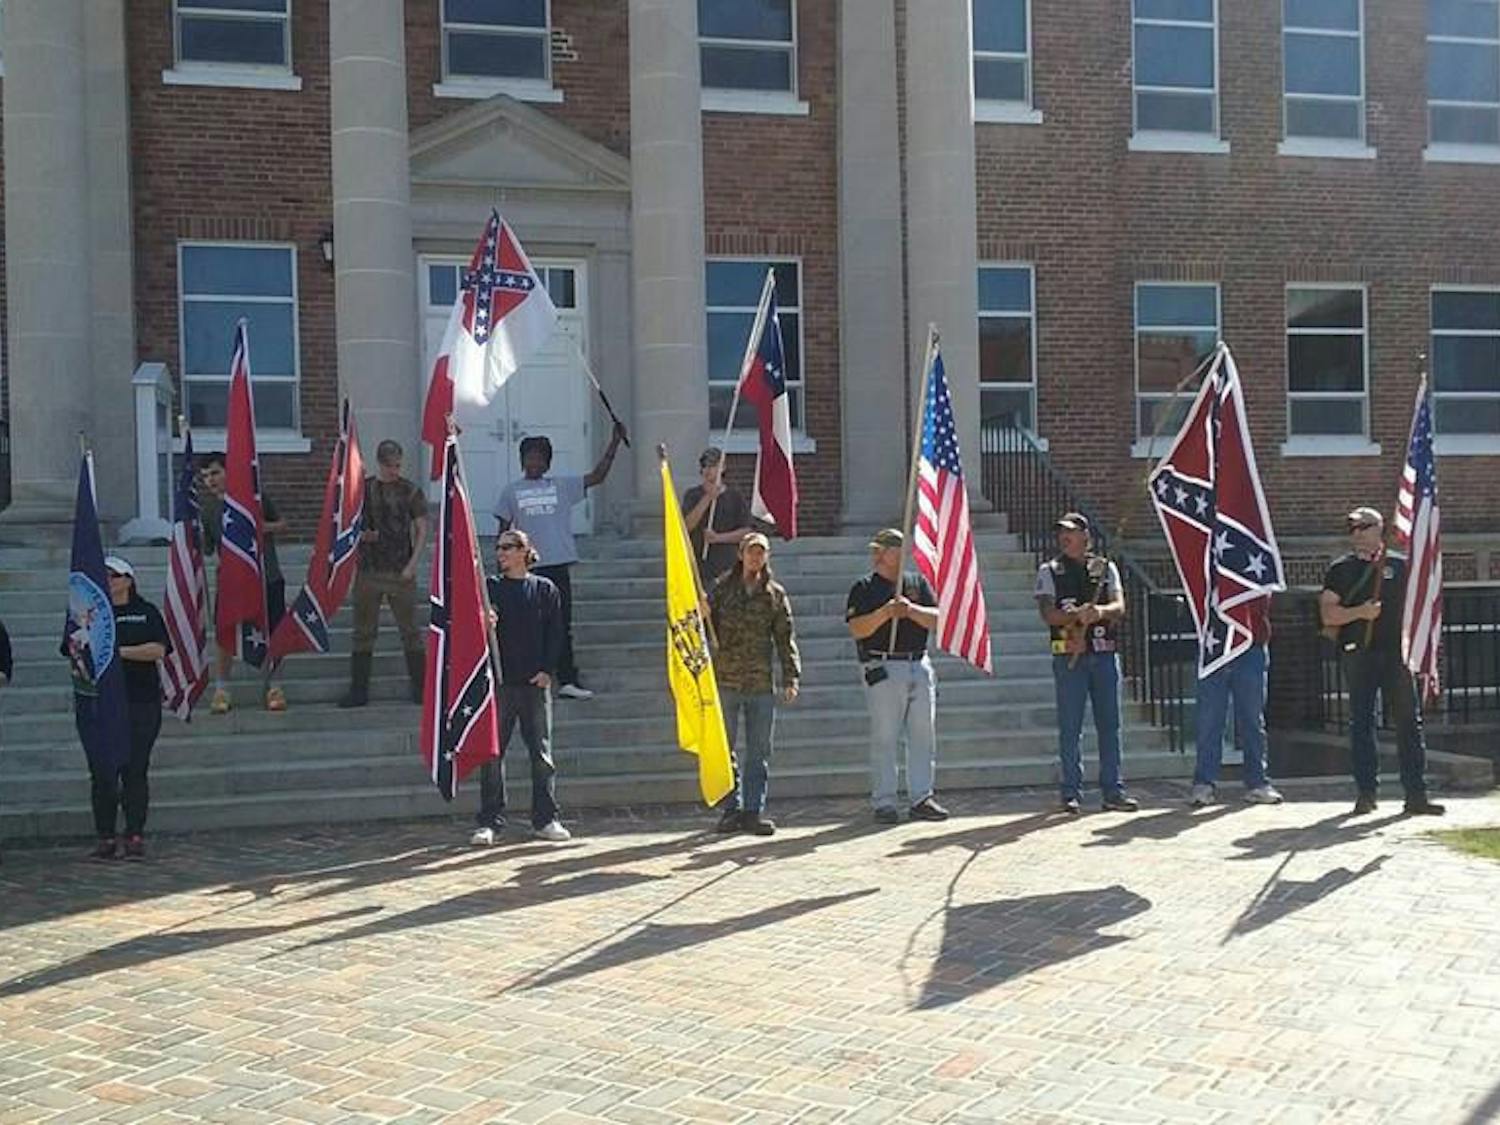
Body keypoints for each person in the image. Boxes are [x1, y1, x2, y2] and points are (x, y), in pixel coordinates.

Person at [1320, 506, 1445, 817]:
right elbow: (1328, 614)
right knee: (1361, 723)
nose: (1357, 533)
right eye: (1352, 528)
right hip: (1359, 651)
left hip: (1396, 654)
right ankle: (1366, 792)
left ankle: (1416, 794)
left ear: (1380, 528)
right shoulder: (1341, 569)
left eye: (1363, 526)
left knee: (1408, 722)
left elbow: (1420, 606)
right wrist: (1359, 613)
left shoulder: (1401, 567)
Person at [493, 421, 627, 700]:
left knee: (560, 624)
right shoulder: (511, 491)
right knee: (524, 626)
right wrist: (501, 565)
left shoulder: (562, 486)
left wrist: (614, 442)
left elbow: (598, 476)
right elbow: (503, 531)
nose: (534, 462)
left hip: (557, 565)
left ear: (547, 462)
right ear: (521, 460)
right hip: (525, 569)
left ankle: (566, 679)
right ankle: (523, 676)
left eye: (539, 457)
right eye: (529, 457)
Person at [471, 530, 571, 844]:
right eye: (498, 547)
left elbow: (557, 632)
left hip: (534, 683)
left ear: (524, 551)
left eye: (507, 547)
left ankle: (546, 818)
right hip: (501, 682)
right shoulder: (491, 588)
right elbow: (473, 631)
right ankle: (490, 821)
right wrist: (483, 623)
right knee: (492, 755)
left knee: (541, 754)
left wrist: (547, 670)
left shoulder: (545, 589)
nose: (500, 552)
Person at [1035, 513, 1138, 815]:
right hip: (1068, 654)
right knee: (1070, 726)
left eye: (1070, 532)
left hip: (1104, 653)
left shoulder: (1105, 568)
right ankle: (1070, 791)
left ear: (1085, 536)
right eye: (1061, 533)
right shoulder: (1049, 570)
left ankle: (1113, 790)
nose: (1064, 538)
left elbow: (1119, 606)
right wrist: (1076, 617)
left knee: (1110, 725)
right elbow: (1048, 614)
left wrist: (1099, 612)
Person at [845, 528, 949, 824]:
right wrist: (885, 613)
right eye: (875, 550)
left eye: (883, 550)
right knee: (885, 736)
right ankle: (884, 800)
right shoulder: (864, 587)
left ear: (898, 553)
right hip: (882, 665)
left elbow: (937, 619)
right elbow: (857, 628)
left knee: (922, 735)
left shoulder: (917, 583)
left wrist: (910, 610)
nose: (876, 555)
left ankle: (921, 797)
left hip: (917, 662)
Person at [708, 531, 800, 836]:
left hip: (760, 683)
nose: (756, 557)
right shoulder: (722, 590)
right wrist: (702, 613)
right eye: (751, 552)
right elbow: (704, 628)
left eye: (761, 552)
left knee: (759, 751)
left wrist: (791, 676)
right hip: (727, 680)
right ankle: (730, 809)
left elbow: (785, 638)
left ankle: (753, 811)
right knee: (725, 749)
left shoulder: (774, 595)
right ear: (741, 554)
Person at [87, 557, 171, 859]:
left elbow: (159, 649)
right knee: (104, 773)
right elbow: (72, 649)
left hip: (141, 702)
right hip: (102, 704)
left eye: (114, 575)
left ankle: (134, 833)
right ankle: (106, 836)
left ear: (128, 580)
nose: (109, 580)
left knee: (135, 770)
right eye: (104, 574)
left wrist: (119, 652)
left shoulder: (145, 612)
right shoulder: (91, 614)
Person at [198, 452, 289, 713]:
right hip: (232, 583)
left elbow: (283, 524)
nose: (210, 480)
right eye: (205, 477)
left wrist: (262, 527)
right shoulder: (209, 510)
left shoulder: (256, 498)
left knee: (274, 631)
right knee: (226, 632)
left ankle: (274, 685)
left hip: (267, 576)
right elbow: (207, 549)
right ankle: (222, 688)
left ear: (229, 471)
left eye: (215, 473)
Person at [342, 439, 428, 708]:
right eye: (390, 465)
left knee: (410, 630)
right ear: (380, 463)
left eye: (398, 465)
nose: (394, 470)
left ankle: (421, 689)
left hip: (400, 568)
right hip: (369, 568)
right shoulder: (364, 489)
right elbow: (347, 523)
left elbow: (422, 529)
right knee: (363, 631)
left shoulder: (410, 491)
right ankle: (359, 691)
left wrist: (413, 563)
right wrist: (361, 536)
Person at [1189, 596, 1284, 807]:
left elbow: (1263, 594)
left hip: (1251, 643)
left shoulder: (1252, 565)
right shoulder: (1210, 562)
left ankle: (1257, 782)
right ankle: (1204, 783)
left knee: (1252, 719)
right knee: (1210, 719)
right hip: (1215, 644)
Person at [682, 447, 754, 585]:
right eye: (705, 465)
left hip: (728, 567)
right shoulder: (692, 495)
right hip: (699, 568)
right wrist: (708, 498)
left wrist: (718, 538)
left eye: (713, 465)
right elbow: (686, 526)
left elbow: (746, 532)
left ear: (723, 467)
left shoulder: (735, 496)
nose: (708, 469)